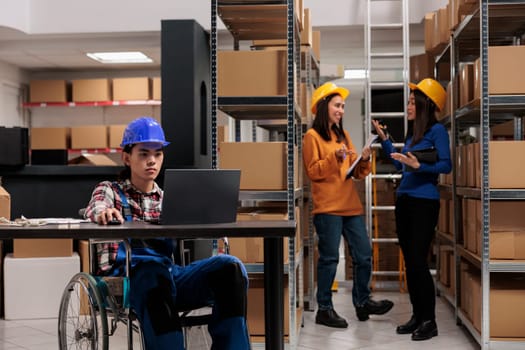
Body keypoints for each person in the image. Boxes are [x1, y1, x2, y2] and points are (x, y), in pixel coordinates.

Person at [84, 116, 251, 350]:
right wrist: (104, 213)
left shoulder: (169, 199)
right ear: (126, 157)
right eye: (143, 153)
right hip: (126, 280)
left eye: (158, 153)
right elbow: (96, 207)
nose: (152, 160)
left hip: (168, 276)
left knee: (230, 268)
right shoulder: (109, 190)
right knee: (153, 273)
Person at [303, 82, 394, 329]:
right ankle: (324, 308)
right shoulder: (312, 137)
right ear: (324, 107)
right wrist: (334, 158)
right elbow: (313, 171)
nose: (341, 110)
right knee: (330, 259)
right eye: (337, 105)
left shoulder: (343, 136)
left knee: (364, 255)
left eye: (343, 106)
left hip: (350, 207)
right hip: (328, 209)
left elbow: (356, 172)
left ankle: (363, 302)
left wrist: (364, 159)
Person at [372, 78, 452, 341]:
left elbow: (445, 165)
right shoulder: (413, 134)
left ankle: (430, 321)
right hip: (404, 200)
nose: (407, 105)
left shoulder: (437, 131)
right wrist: (386, 141)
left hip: (423, 202)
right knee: (411, 262)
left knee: (418, 262)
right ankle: (418, 316)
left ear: (424, 104)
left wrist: (421, 167)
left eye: (410, 101)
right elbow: (401, 167)